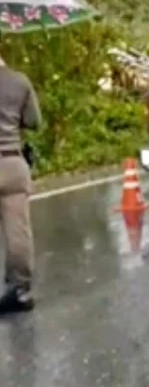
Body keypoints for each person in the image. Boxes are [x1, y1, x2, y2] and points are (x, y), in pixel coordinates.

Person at [0, 42, 41, 314]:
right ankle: (20, 290)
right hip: (12, 162)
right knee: (18, 229)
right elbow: (34, 121)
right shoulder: (19, 81)